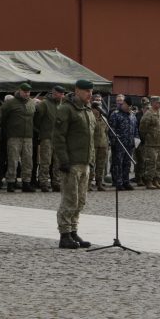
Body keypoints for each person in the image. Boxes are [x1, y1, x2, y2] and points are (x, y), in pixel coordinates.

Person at [53, 79, 96, 249]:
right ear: (77, 90)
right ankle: (64, 234)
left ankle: (73, 230)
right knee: (70, 199)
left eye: (91, 92)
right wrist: (63, 160)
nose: (90, 95)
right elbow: (58, 137)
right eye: (87, 91)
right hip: (71, 163)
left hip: (84, 162)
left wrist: (91, 160)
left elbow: (90, 139)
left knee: (80, 200)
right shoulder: (67, 109)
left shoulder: (88, 110)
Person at [1, 83, 37, 192]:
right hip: (14, 136)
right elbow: (2, 117)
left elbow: (35, 118)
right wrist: (7, 131)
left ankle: (26, 182)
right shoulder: (10, 103)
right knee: (13, 160)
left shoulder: (31, 103)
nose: (27, 94)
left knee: (28, 161)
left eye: (28, 92)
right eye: (25, 92)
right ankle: (11, 182)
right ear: (20, 91)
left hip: (28, 136)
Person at [34, 85, 65, 192]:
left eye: (63, 94)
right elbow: (37, 120)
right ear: (54, 93)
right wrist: (42, 131)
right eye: (60, 94)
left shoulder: (63, 105)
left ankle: (56, 182)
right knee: (45, 161)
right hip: (47, 137)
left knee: (58, 162)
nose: (62, 96)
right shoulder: (44, 104)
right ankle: (43, 182)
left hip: (59, 138)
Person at [108, 95, 137, 191]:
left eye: (129, 106)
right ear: (123, 103)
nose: (126, 107)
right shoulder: (115, 114)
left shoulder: (132, 115)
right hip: (119, 144)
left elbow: (135, 129)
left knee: (127, 164)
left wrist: (136, 140)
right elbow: (111, 129)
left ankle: (126, 181)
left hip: (129, 144)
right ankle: (118, 182)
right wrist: (114, 142)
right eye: (125, 105)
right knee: (118, 164)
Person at [138, 95, 160, 189]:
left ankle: (156, 180)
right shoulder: (148, 114)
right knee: (151, 163)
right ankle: (149, 181)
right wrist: (147, 138)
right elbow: (142, 129)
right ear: (153, 103)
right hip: (151, 144)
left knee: (159, 163)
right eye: (158, 102)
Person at [90, 93, 109, 192]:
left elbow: (106, 131)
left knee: (101, 165)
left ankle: (99, 182)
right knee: (91, 164)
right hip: (93, 144)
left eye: (100, 100)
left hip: (103, 144)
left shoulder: (104, 117)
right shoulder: (90, 115)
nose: (99, 102)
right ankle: (88, 183)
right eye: (96, 100)